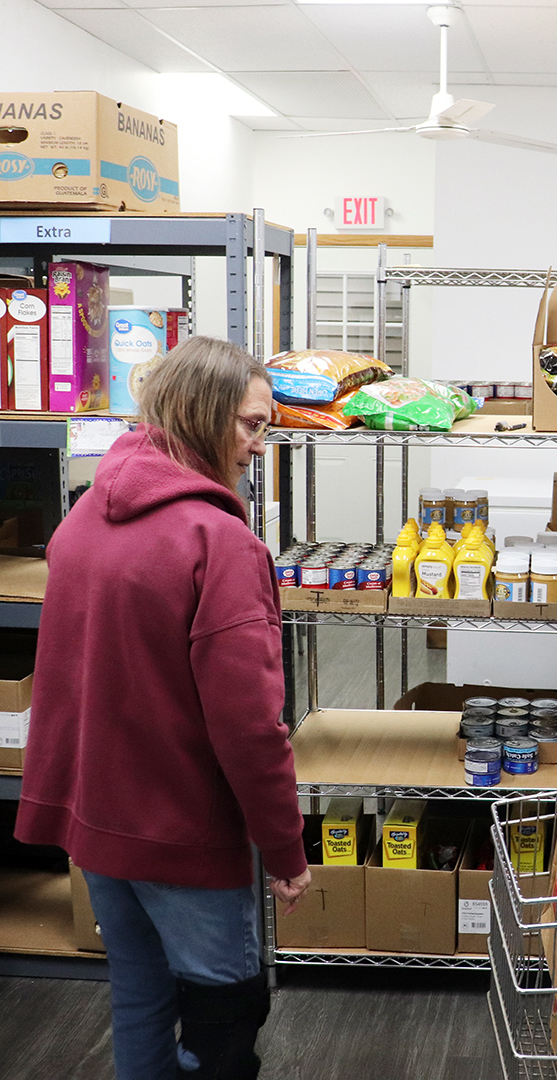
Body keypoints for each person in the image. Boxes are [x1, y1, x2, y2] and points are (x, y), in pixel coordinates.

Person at [15, 336, 311, 1080]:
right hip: (186, 833)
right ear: (206, 416)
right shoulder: (220, 542)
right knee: (224, 1019)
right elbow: (250, 726)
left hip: (101, 822)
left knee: (140, 1000)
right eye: (250, 424)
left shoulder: (82, 520)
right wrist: (284, 848)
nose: (258, 443)